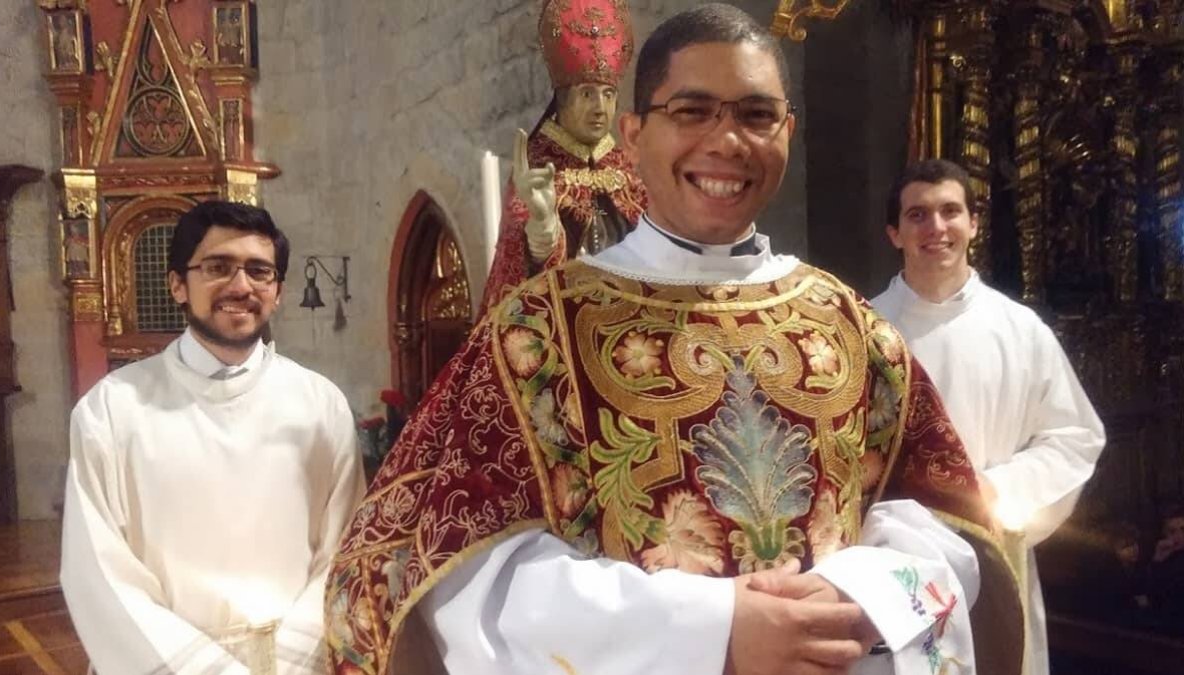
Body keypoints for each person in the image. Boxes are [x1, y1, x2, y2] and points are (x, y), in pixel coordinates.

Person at [327, 6, 1022, 675]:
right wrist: (715, 630)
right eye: (692, 111)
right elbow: (453, 573)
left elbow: (949, 526)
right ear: (632, 135)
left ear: (788, 130)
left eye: (756, 115)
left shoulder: (851, 325)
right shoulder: (535, 331)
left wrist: (859, 595)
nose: (727, 141)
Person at [61, 201, 365, 674]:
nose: (241, 286)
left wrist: (291, 663)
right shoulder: (112, 409)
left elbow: (344, 552)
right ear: (177, 285)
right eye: (218, 267)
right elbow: (99, 572)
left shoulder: (321, 405)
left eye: (259, 271)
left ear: (278, 292)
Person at [871, 158, 1106, 675]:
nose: (936, 227)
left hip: (993, 547)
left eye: (951, 211)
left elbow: (1075, 435)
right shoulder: (865, 330)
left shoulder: (1020, 329)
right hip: (894, 567)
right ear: (894, 233)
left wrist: (996, 490)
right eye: (917, 215)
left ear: (974, 223)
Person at [478, 0, 646, 314]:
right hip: (565, 319)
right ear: (562, 100)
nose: (600, 108)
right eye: (587, 94)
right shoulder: (536, 166)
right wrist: (543, 229)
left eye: (608, 95)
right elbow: (519, 269)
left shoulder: (626, 168)